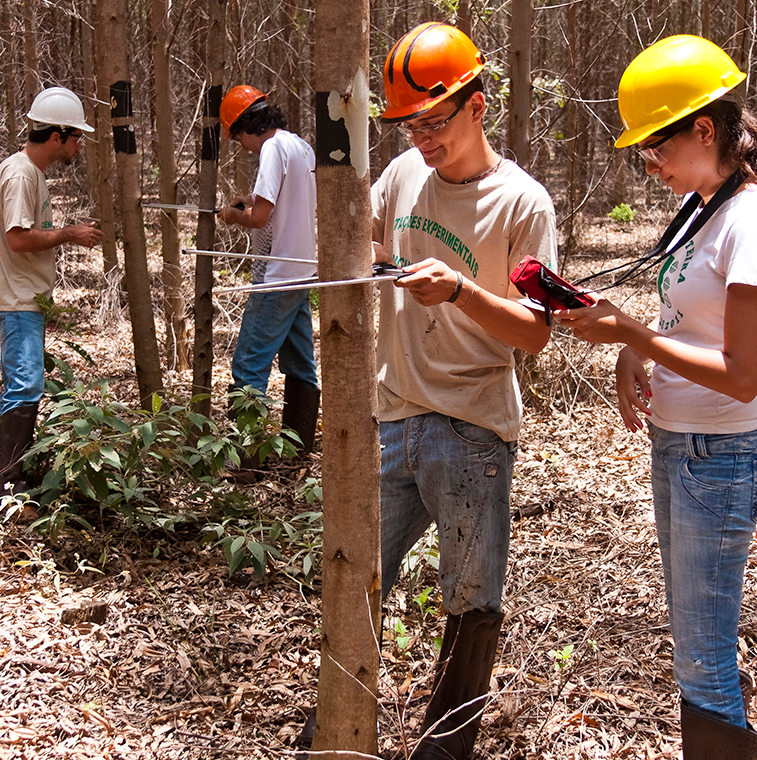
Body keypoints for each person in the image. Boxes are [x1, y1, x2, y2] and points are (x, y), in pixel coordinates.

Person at [310, 23, 555, 760]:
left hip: (472, 428)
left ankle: (444, 751)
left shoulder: (522, 203)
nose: (422, 137)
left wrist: (456, 291)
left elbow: (535, 331)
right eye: (411, 123)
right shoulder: (401, 176)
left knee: (470, 600)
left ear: (479, 106)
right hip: (392, 418)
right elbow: (367, 239)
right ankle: (336, 731)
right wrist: (375, 256)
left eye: (436, 121)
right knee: (356, 581)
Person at [554, 35, 757, 759]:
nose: (648, 162)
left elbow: (744, 371)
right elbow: (695, 314)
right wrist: (638, 346)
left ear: (703, 128)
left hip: (719, 455)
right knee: (694, 641)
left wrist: (634, 332)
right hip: (681, 443)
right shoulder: (703, 206)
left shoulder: (752, 221)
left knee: (703, 652)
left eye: (655, 146)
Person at [0, 86, 103, 499]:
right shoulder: (20, 175)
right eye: (76, 137)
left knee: (25, 384)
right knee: (24, 386)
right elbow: (17, 239)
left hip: (25, 297)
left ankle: (8, 477)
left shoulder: (29, 172)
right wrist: (68, 233)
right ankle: (9, 488)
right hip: (17, 300)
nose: (80, 145)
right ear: (56, 137)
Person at [216, 86, 320, 455]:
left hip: (276, 276)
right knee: (300, 366)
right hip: (303, 270)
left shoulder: (272, 149)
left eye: (238, 136)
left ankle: (242, 460)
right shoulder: (299, 145)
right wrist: (250, 199)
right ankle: (297, 452)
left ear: (248, 126)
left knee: (248, 368)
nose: (241, 145)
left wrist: (233, 215)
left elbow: (260, 219)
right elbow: (283, 203)